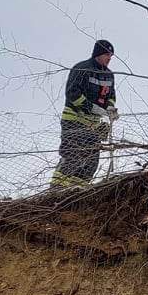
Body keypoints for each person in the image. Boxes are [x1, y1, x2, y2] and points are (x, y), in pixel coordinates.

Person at [52, 39, 118, 188]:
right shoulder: (82, 69)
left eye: (111, 56)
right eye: (107, 55)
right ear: (98, 54)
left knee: (91, 161)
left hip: (93, 124)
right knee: (73, 155)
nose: (109, 59)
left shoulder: (109, 75)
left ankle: (77, 190)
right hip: (74, 120)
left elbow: (111, 96)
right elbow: (72, 94)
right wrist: (92, 108)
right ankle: (56, 189)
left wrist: (110, 109)